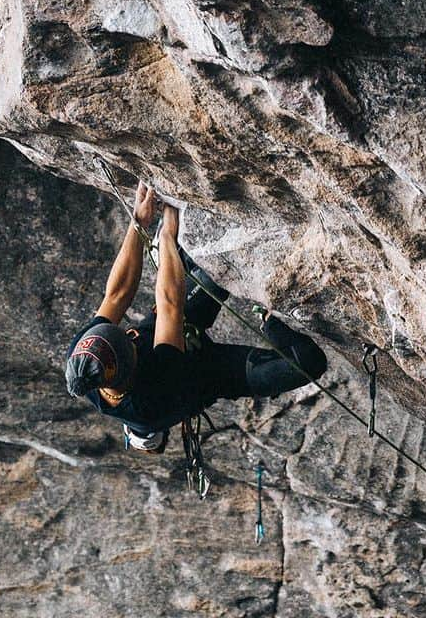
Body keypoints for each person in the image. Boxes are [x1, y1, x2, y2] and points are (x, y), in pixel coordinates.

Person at [63, 181, 328, 452]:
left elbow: (116, 295)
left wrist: (139, 224)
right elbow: (169, 305)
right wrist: (167, 234)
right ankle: (268, 318)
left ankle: (182, 257)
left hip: (181, 325)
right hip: (210, 374)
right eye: (130, 340)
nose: (131, 331)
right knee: (307, 363)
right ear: (130, 368)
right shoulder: (153, 400)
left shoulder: (84, 355)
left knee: (217, 266)